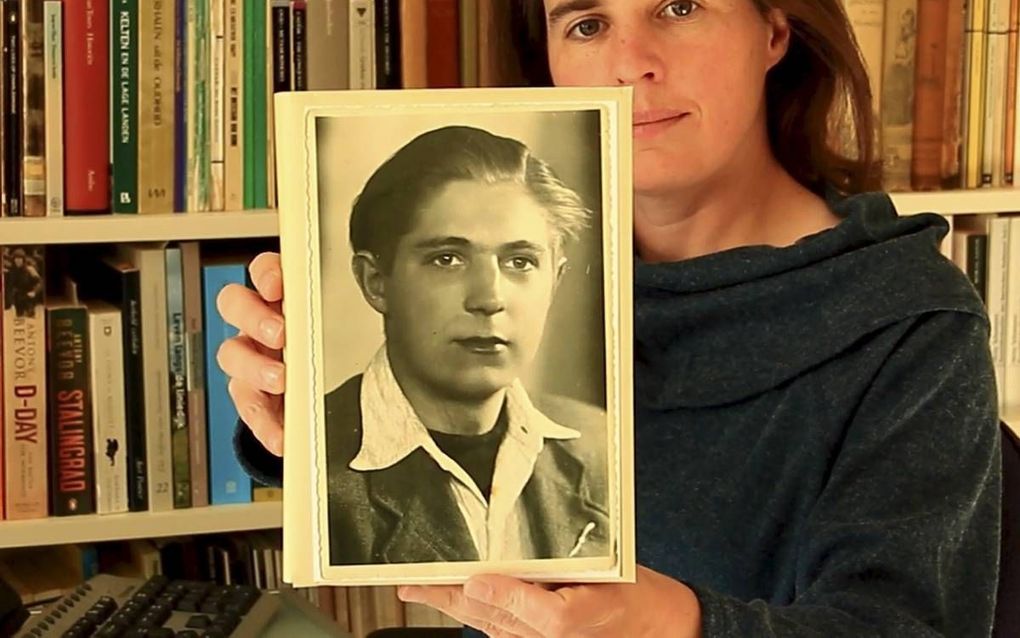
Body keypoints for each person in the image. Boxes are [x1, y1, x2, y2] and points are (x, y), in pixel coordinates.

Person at [216, 0, 1002, 635]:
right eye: (587, 24)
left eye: (680, 6)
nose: (633, 63)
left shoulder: (909, 323)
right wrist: (303, 425)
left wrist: (678, 625)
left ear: (773, 29)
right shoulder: (522, 280)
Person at [318, 125, 610, 565]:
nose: (489, 298)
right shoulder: (313, 458)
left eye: (520, 261)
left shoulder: (602, 446)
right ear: (376, 282)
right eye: (447, 259)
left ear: (556, 281)